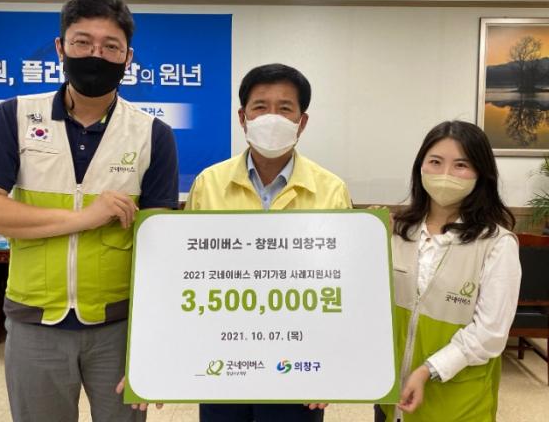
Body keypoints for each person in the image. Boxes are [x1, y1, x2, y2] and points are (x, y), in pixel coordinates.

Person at [0, 0, 178, 422]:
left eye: (111, 46)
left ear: (128, 58)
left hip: (118, 327)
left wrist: (153, 343)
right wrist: (84, 218)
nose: (96, 55)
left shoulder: (153, 134)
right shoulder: (14, 116)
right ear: (61, 47)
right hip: (34, 322)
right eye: (83, 42)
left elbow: (161, 247)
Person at [185, 63, 351, 422]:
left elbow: (343, 286)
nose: (271, 118)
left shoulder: (331, 190)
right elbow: (186, 273)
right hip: (222, 358)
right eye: (260, 107)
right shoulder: (208, 184)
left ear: (302, 122)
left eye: (285, 108)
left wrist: (331, 366)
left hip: (300, 361)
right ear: (242, 117)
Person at [378, 121, 521, 422]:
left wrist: (428, 370)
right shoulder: (397, 232)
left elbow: (490, 333)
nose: (445, 174)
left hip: (457, 402)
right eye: (435, 162)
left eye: (461, 165)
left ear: (481, 174)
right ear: (420, 167)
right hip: (391, 398)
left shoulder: (496, 243)